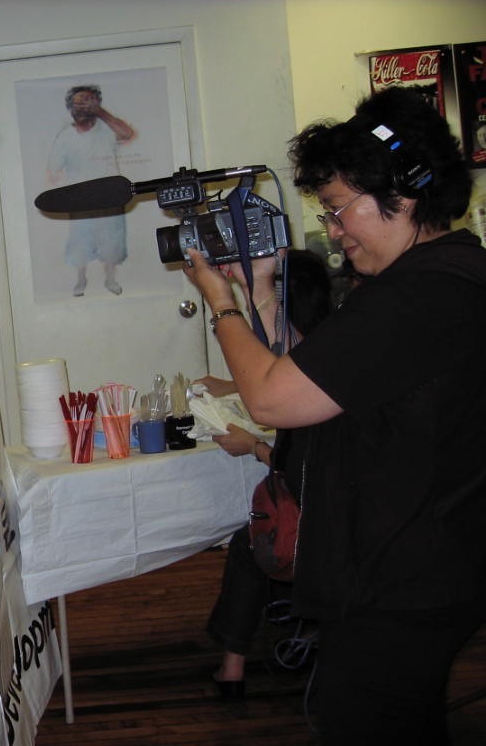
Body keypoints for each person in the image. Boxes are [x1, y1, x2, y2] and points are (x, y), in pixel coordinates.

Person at [183, 86, 486, 744]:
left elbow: (269, 399)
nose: (334, 230)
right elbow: (307, 376)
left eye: (340, 210)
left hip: (403, 583)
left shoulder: (423, 296)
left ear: (403, 195)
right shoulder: (432, 280)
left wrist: (221, 303)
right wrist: (260, 288)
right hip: (418, 569)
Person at [196, 248, 334, 701]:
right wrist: (235, 385)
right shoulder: (332, 349)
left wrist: (252, 445)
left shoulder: (311, 370)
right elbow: (290, 373)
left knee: (250, 542)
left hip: (321, 528)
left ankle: (232, 665)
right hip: (335, 512)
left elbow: (300, 468)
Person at [46, 84, 136, 296]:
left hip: (110, 197)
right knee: (80, 242)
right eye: (78, 102)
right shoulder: (65, 136)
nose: (83, 106)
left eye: (88, 101)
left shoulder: (107, 128)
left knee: (112, 242)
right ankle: (80, 279)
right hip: (80, 199)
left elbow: (127, 133)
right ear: (70, 107)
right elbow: (52, 171)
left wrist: (100, 112)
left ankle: (111, 279)